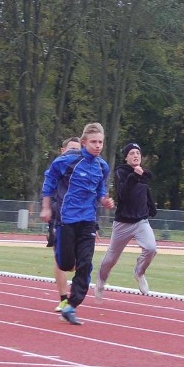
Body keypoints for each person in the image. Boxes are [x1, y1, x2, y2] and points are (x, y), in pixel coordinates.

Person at [40, 122, 114, 325]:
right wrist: (46, 207)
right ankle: (64, 259)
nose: (98, 146)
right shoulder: (67, 162)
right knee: (65, 263)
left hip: (88, 221)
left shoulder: (102, 166)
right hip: (66, 219)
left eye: (101, 142)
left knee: (86, 264)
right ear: (83, 143)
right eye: (93, 142)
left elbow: (100, 191)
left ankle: (71, 305)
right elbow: (49, 183)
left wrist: (105, 201)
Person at [95, 142, 158, 298]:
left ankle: (139, 272)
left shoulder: (142, 173)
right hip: (123, 223)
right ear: (126, 157)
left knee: (151, 249)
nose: (136, 155)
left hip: (141, 222)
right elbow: (123, 194)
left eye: (138, 153)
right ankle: (101, 279)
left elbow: (145, 191)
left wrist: (151, 206)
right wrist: (134, 176)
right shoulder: (120, 172)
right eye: (132, 153)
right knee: (111, 258)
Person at [48, 137, 81, 312]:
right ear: (63, 151)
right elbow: (47, 195)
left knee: (76, 262)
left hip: (80, 222)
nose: (75, 153)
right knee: (60, 259)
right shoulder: (55, 170)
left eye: (78, 150)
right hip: (59, 220)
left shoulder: (84, 173)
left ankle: (74, 294)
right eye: (71, 149)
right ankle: (63, 298)